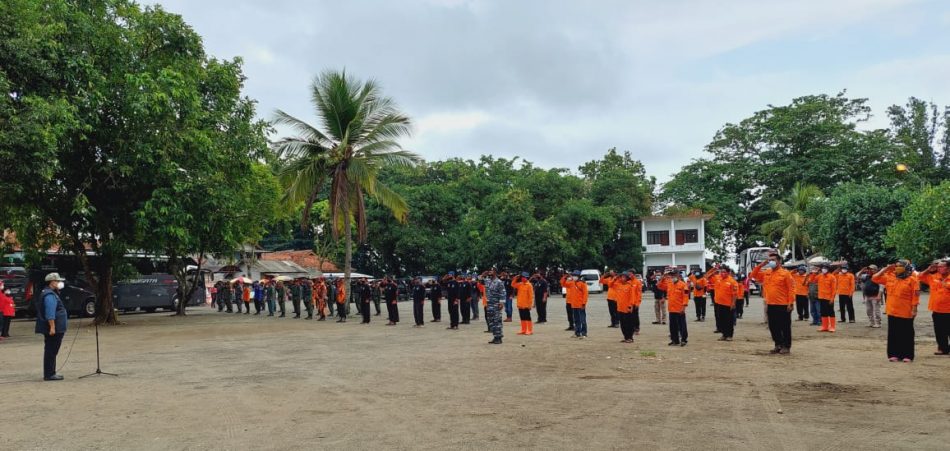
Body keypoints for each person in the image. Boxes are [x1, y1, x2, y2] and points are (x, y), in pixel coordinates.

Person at [872, 261, 919, 362]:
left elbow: (915, 296)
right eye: (896, 266)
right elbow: (874, 278)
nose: (898, 268)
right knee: (893, 333)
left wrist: (914, 309)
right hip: (892, 310)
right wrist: (885, 269)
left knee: (906, 333)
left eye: (900, 266)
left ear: (906, 267)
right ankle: (894, 354)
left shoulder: (912, 279)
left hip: (906, 311)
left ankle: (907, 355)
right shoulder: (890, 277)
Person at [751, 253, 795, 354]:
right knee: (773, 326)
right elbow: (753, 275)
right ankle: (778, 344)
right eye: (769, 260)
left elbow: (791, 289)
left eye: (773, 260)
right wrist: (761, 265)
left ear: (779, 261)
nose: (771, 261)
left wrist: (791, 303)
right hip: (770, 304)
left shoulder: (785, 274)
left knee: (785, 326)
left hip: (783, 305)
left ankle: (786, 346)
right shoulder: (767, 272)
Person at [35, 273, 68, 381]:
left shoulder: (51, 293)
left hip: (56, 327)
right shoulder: (49, 295)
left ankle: (51, 372)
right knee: (51, 350)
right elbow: (50, 313)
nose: (59, 283)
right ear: (52, 282)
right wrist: (52, 327)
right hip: (55, 328)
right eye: (57, 281)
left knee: (52, 350)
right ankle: (49, 374)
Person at [919, 260, 949, 355]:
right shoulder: (933, 277)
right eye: (938, 267)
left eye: (941, 266)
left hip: (948, 310)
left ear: (948, 268)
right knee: (939, 331)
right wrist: (928, 269)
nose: (939, 268)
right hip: (937, 309)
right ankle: (943, 348)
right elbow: (919, 276)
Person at [659, 271, 690, 346]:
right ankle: (675, 340)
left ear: (678, 276)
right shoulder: (669, 284)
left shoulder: (683, 285)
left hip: (680, 309)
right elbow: (660, 286)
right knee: (673, 326)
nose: (672, 277)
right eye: (671, 276)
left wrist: (684, 307)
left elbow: (686, 297)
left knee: (682, 325)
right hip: (671, 309)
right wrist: (663, 278)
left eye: (674, 276)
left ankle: (684, 340)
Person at [710, 267, 739, 341]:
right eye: (721, 272)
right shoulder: (718, 280)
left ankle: (729, 335)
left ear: (728, 273)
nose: (722, 273)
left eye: (724, 272)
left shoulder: (732, 282)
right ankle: (724, 334)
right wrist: (714, 269)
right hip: (719, 303)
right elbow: (707, 276)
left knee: (728, 320)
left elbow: (735, 294)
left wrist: (733, 303)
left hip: (728, 304)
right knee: (721, 320)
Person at [808, 264, 838, 332]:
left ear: (828, 269)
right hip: (821, 297)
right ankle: (825, 326)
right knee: (823, 312)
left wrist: (832, 298)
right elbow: (812, 280)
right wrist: (814, 273)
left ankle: (832, 327)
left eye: (825, 268)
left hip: (829, 298)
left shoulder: (832, 277)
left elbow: (834, 289)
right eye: (823, 268)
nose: (823, 269)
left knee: (831, 312)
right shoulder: (819, 276)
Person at [565, 271, 589, 338]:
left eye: (575, 275)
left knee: (582, 320)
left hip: (580, 305)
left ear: (578, 276)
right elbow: (564, 284)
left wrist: (584, 303)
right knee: (576, 320)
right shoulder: (571, 283)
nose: (574, 277)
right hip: (574, 304)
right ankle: (577, 333)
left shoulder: (582, 283)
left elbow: (585, 294)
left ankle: (584, 333)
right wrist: (565, 278)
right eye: (573, 275)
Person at [484, 270, 505, 344]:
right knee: (491, 321)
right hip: (489, 304)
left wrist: (501, 302)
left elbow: (503, 292)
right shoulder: (488, 281)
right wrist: (484, 274)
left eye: (491, 271)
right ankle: (495, 336)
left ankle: (499, 337)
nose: (489, 272)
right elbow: (479, 279)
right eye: (489, 271)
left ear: (495, 273)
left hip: (496, 304)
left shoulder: (499, 282)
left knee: (497, 321)